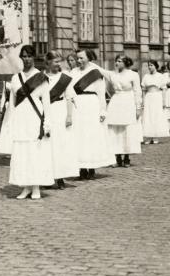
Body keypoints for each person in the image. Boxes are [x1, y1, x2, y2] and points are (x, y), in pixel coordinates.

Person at [7, 45, 54, 199]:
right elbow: (12, 103)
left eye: (29, 56)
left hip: (35, 117)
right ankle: (25, 187)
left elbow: (46, 103)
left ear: (34, 57)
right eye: (24, 56)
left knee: (35, 152)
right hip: (20, 118)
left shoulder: (41, 77)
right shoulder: (15, 78)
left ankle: (36, 187)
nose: (26, 59)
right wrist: (11, 121)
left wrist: (47, 122)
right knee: (22, 152)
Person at [69, 49, 113, 179]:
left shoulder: (95, 73)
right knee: (79, 135)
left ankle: (92, 167)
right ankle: (81, 167)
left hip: (92, 104)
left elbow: (101, 93)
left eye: (81, 58)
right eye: (78, 58)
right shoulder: (73, 72)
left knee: (91, 135)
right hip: (78, 104)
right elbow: (70, 90)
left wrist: (103, 110)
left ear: (89, 58)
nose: (79, 61)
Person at [44, 50, 78, 188]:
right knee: (47, 144)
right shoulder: (41, 77)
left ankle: (61, 177)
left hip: (60, 110)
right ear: (48, 62)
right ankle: (47, 176)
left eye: (60, 61)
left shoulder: (64, 78)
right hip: (45, 111)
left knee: (61, 144)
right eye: (56, 61)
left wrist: (69, 116)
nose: (59, 64)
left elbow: (69, 97)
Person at [105, 55, 142, 168]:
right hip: (116, 102)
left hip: (128, 102)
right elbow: (101, 71)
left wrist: (138, 107)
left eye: (119, 61)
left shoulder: (133, 75)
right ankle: (117, 158)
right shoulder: (113, 74)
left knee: (127, 130)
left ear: (126, 62)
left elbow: (137, 91)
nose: (116, 63)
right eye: (116, 60)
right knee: (115, 130)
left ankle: (126, 157)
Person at [141, 60, 169, 144]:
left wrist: (164, 101)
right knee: (148, 115)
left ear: (156, 66)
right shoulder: (146, 76)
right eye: (149, 65)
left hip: (157, 97)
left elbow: (164, 89)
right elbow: (143, 90)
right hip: (148, 97)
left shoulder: (160, 76)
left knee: (156, 115)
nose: (150, 67)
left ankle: (155, 136)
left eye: (151, 65)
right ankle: (148, 136)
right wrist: (142, 100)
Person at [0, 80, 14, 156]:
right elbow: (4, 95)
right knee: (8, 127)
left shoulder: (19, 77)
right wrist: (1, 107)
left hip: (18, 105)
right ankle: (10, 149)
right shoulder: (5, 81)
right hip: (9, 106)